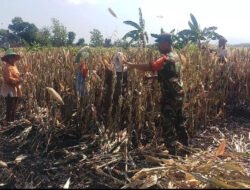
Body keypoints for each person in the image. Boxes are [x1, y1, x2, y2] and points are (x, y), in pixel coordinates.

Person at [124, 33, 189, 148]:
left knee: (167, 124)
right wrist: (152, 78)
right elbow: (172, 75)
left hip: (170, 96)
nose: (158, 45)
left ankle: (172, 151)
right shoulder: (176, 56)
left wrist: (132, 65)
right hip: (179, 94)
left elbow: (151, 67)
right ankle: (186, 146)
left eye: (160, 42)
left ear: (166, 42)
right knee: (179, 121)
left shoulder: (165, 58)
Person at [1, 50, 25, 123]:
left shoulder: (14, 66)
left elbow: (16, 75)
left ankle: (13, 121)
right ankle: (9, 121)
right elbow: (8, 79)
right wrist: (18, 81)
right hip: (9, 89)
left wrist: (22, 75)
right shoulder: (7, 67)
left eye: (13, 57)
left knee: (14, 105)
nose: (13, 59)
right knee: (10, 106)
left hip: (14, 88)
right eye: (11, 57)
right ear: (7, 59)